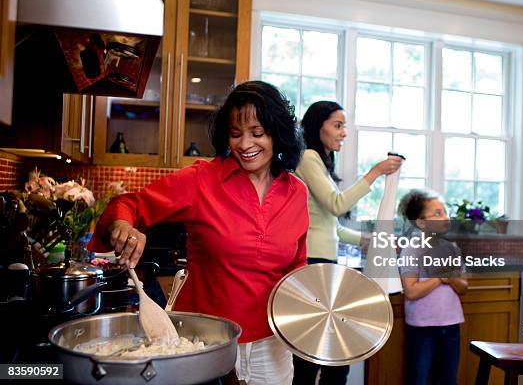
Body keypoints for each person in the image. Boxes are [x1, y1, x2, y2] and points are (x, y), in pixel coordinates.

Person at [90, 81, 308, 384]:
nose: (245, 144)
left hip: (272, 342)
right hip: (204, 338)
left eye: (257, 133)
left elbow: (297, 266)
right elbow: (130, 203)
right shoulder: (202, 179)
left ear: (278, 133)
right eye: (235, 134)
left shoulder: (296, 192)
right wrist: (122, 225)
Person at [292, 101, 402, 385]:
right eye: (337, 125)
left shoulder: (319, 163)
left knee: (327, 353)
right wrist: (375, 172)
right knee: (321, 353)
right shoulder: (307, 157)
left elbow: (332, 227)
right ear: (319, 127)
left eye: (344, 126)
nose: (343, 133)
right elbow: (337, 204)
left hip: (323, 263)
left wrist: (369, 240)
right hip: (313, 264)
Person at [398, 189, 468, 385]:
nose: (445, 217)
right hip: (422, 329)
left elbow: (463, 287)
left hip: (451, 325)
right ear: (420, 222)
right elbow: (411, 291)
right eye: (437, 213)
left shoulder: (452, 248)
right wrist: (440, 277)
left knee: (447, 379)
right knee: (418, 378)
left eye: (445, 211)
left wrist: (451, 279)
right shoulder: (412, 249)